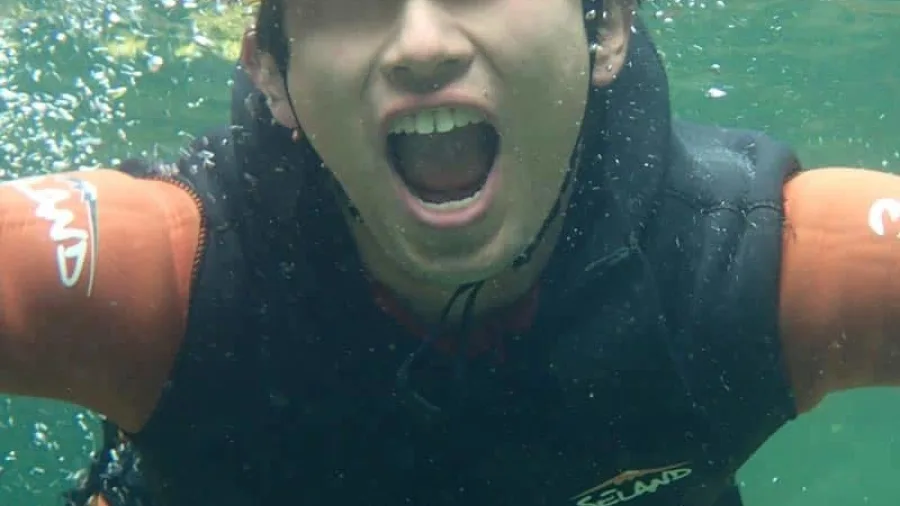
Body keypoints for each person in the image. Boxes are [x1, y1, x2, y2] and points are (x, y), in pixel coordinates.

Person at [0, 0, 898, 505]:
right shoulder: (172, 281)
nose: (422, 44)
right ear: (271, 72)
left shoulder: (744, 267)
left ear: (608, 26)